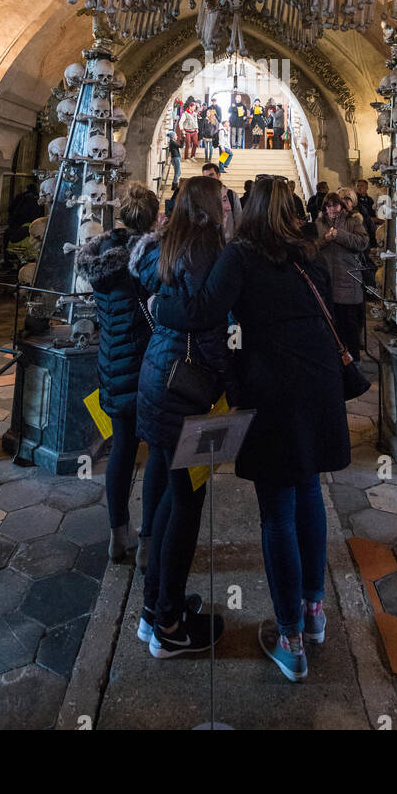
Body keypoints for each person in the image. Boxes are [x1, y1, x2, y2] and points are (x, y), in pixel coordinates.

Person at [150, 177, 351, 683]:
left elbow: (203, 313)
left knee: (278, 512)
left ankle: (289, 640)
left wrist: (158, 305)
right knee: (310, 495)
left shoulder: (241, 255)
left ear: (251, 211)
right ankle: (313, 613)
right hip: (319, 390)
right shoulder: (309, 256)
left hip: (275, 395)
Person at [129, 176, 230, 656]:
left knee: (172, 497)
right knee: (187, 504)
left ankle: (155, 610)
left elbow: (168, 306)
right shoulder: (207, 252)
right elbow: (200, 316)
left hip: (159, 378)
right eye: (225, 200)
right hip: (186, 390)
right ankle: (169, 627)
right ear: (211, 207)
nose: (229, 206)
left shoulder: (170, 247)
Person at [75, 184, 168, 568]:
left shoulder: (98, 255)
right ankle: (148, 542)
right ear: (152, 217)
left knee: (122, 451)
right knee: (159, 452)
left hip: (112, 363)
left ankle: (117, 535)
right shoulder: (148, 256)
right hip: (147, 365)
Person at [315, 190, 368, 357]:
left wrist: (340, 235)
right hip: (328, 281)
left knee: (350, 324)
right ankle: (337, 358)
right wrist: (325, 239)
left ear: (342, 205)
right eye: (329, 206)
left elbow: (363, 242)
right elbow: (314, 246)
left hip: (348, 279)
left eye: (335, 205)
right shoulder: (319, 223)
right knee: (332, 324)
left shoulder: (353, 220)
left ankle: (354, 360)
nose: (333, 209)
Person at [202, 160, 242, 241]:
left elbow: (239, 219)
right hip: (209, 244)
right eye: (205, 177)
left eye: (211, 175)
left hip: (228, 243)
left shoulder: (231, 195)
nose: (209, 179)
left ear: (219, 175)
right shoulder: (202, 197)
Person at [354, 179, 377, 247]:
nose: (359, 188)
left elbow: (372, 213)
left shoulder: (370, 200)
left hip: (370, 225)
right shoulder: (355, 200)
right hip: (361, 225)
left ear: (366, 188)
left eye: (361, 186)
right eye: (358, 186)